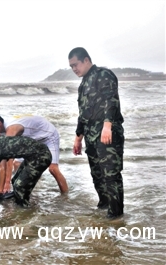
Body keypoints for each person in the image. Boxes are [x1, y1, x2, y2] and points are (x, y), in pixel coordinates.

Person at [68, 47, 124, 219]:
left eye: (75, 65)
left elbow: (111, 100)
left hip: (107, 134)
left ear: (86, 60)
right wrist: (78, 138)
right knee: (97, 174)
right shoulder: (83, 85)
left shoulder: (103, 75)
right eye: (71, 67)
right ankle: (104, 205)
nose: (74, 69)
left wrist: (107, 126)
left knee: (110, 175)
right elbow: (83, 114)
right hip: (91, 137)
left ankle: (115, 215)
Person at [0, 113, 68, 194]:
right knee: (17, 165)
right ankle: (30, 185)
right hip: (31, 140)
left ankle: (65, 196)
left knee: (53, 169)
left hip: (47, 135)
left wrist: (6, 184)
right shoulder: (0, 129)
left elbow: (9, 158)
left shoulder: (11, 130)